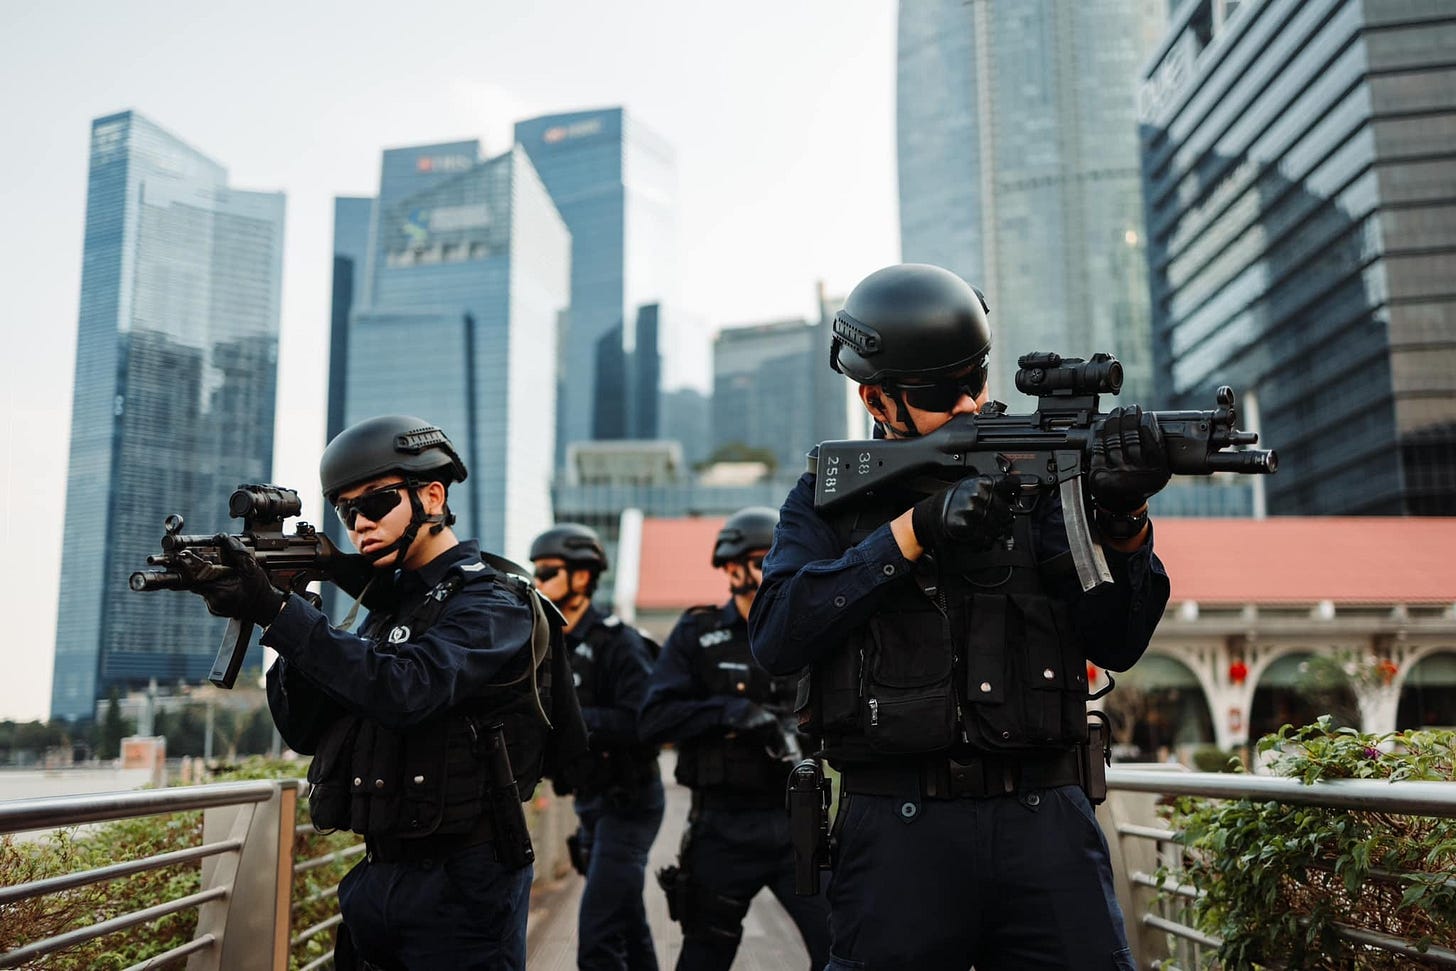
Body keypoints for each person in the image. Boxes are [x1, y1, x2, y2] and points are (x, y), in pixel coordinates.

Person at [748, 263, 1172, 971]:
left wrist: (1126, 520)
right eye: (944, 392)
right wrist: (911, 533)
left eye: (976, 379)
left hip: (1046, 824)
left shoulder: (1040, 480)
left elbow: (1118, 639)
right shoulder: (831, 499)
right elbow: (777, 635)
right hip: (896, 833)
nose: (971, 403)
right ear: (875, 398)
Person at [176, 414, 580, 971]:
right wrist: (290, 606)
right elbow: (304, 729)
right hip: (376, 878)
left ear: (432, 496)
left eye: (376, 503)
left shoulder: (493, 603)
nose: (359, 523)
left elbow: (407, 689)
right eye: (345, 511)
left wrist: (277, 611)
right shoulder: (384, 610)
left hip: (465, 885)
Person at [639, 506, 833, 970]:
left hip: (799, 824)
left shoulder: (812, 629)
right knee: (705, 953)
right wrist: (730, 712)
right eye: (762, 557)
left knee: (841, 947)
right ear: (730, 565)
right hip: (722, 827)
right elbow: (653, 718)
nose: (773, 567)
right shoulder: (697, 632)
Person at [531, 523, 663, 971]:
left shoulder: (618, 643)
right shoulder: (550, 645)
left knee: (598, 934)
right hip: (588, 802)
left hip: (630, 803)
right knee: (627, 920)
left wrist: (570, 722)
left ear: (582, 577)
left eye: (547, 573)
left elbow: (647, 721)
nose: (537, 582)